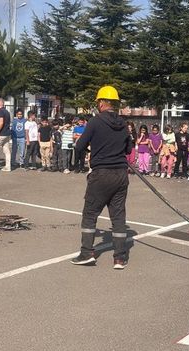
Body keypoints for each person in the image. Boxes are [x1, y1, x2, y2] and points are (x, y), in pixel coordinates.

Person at [71, 86, 131, 269]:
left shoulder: (95, 122)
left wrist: (90, 148)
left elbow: (79, 146)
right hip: (121, 174)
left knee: (90, 213)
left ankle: (86, 253)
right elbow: (128, 149)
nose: (97, 105)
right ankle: (120, 258)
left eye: (98, 102)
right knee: (118, 216)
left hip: (101, 173)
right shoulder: (123, 124)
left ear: (102, 102)